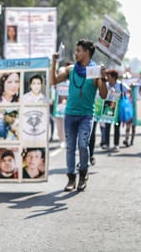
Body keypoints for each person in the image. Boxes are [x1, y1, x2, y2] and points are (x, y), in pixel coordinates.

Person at [50, 39, 107, 192]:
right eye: (76, 51)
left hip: (86, 116)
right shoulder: (70, 70)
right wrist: (53, 63)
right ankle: (71, 178)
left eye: (79, 51)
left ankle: (83, 174)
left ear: (87, 53)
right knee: (70, 148)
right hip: (70, 115)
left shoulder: (95, 72)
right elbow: (53, 81)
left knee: (83, 145)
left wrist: (103, 78)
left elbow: (103, 95)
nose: (76, 53)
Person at [102, 68, 130, 151]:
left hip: (118, 109)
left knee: (116, 126)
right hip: (108, 107)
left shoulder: (121, 85)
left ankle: (116, 144)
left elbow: (130, 91)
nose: (107, 78)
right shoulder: (106, 85)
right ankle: (106, 144)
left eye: (109, 76)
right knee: (107, 126)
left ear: (114, 77)